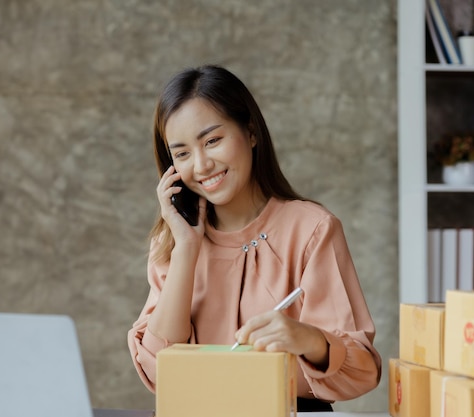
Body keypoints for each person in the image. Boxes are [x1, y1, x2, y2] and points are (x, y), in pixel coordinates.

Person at [127, 65, 382, 412]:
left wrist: (307, 339)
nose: (201, 165)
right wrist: (186, 249)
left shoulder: (312, 229)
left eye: (212, 140)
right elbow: (160, 373)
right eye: (182, 153)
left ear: (250, 132)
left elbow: (362, 371)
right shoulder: (172, 243)